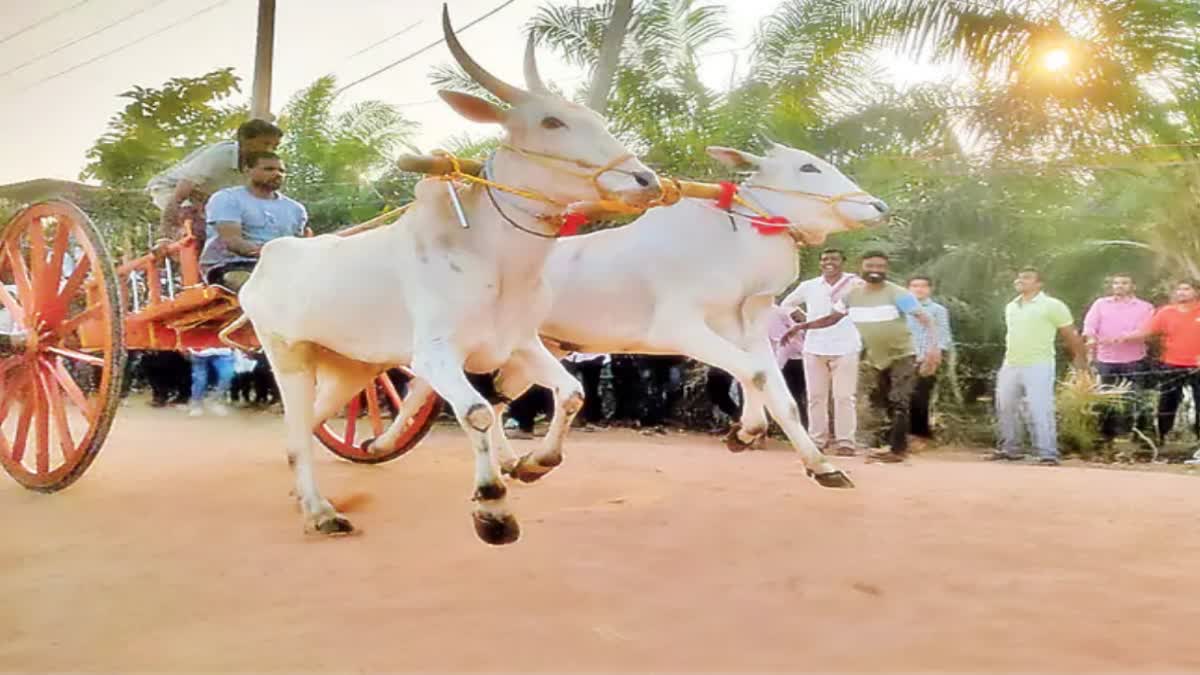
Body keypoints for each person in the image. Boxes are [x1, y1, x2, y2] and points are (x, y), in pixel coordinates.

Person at [789, 252, 941, 463]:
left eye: (880, 266)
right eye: (870, 266)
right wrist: (803, 326)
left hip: (902, 354)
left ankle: (897, 450)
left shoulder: (898, 293)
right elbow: (832, 318)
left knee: (898, 400)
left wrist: (934, 349)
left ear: (886, 269)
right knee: (883, 401)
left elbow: (925, 318)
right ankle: (892, 446)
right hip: (876, 358)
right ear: (862, 267)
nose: (875, 270)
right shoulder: (853, 295)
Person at [990, 267, 1087, 465]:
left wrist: (1080, 359)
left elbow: (1070, 334)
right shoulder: (1011, 306)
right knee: (1005, 405)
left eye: (1026, 278)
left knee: (1040, 408)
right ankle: (1010, 449)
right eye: (1019, 277)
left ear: (1039, 284)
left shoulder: (1053, 305)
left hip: (1039, 363)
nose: (1020, 280)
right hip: (1011, 362)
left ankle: (1048, 453)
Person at [146, 119, 284, 247]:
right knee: (197, 229)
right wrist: (165, 235)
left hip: (206, 197)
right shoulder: (220, 157)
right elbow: (178, 196)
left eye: (274, 146)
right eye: (265, 144)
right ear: (244, 141)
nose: (269, 150)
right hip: (170, 189)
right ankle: (183, 258)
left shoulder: (259, 167)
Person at [781, 249, 862, 456]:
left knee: (844, 397)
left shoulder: (855, 284)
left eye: (834, 258)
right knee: (816, 396)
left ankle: (846, 442)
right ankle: (817, 440)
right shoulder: (810, 286)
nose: (829, 262)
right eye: (825, 259)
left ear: (843, 261)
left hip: (846, 346)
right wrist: (802, 320)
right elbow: (787, 304)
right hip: (815, 346)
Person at [1108, 280, 1200, 443]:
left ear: (1196, 292)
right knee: (1167, 403)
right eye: (1178, 289)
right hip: (1171, 364)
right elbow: (1147, 331)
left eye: (1186, 289)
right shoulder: (1166, 312)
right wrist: (1123, 337)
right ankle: (1163, 436)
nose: (1181, 292)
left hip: (1197, 366)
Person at [200, 151, 307, 291]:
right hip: (232, 266)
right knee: (260, 288)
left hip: (281, 268)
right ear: (247, 170)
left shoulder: (295, 209)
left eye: (282, 170)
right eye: (269, 169)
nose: (278, 174)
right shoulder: (226, 199)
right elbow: (233, 242)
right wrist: (271, 253)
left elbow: (298, 246)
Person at [1081, 274, 1155, 443]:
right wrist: (1090, 338)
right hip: (1106, 360)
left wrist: (1126, 337)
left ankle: (1138, 435)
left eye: (1124, 283)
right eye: (1116, 283)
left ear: (1133, 286)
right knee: (1106, 399)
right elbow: (1089, 326)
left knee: (1135, 398)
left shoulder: (1145, 307)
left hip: (1134, 360)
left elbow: (1146, 329)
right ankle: (1107, 435)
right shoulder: (1100, 304)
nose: (1119, 286)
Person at [905, 276, 953, 442]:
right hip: (903, 357)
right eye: (915, 286)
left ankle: (921, 435)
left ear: (930, 289)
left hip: (925, 357)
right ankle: (899, 434)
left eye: (923, 286)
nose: (919, 289)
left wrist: (935, 356)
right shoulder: (902, 306)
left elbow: (943, 335)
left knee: (921, 397)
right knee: (900, 398)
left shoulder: (937, 310)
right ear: (908, 288)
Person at [770, 303, 809, 427]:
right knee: (793, 397)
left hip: (792, 361)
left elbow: (786, 342)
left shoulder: (780, 311)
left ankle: (801, 428)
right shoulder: (781, 311)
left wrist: (778, 367)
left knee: (794, 396)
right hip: (790, 359)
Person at [188, 346, 235, 417]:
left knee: (227, 374)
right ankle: (197, 404)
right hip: (199, 352)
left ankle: (215, 401)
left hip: (223, 352)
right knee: (200, 380)